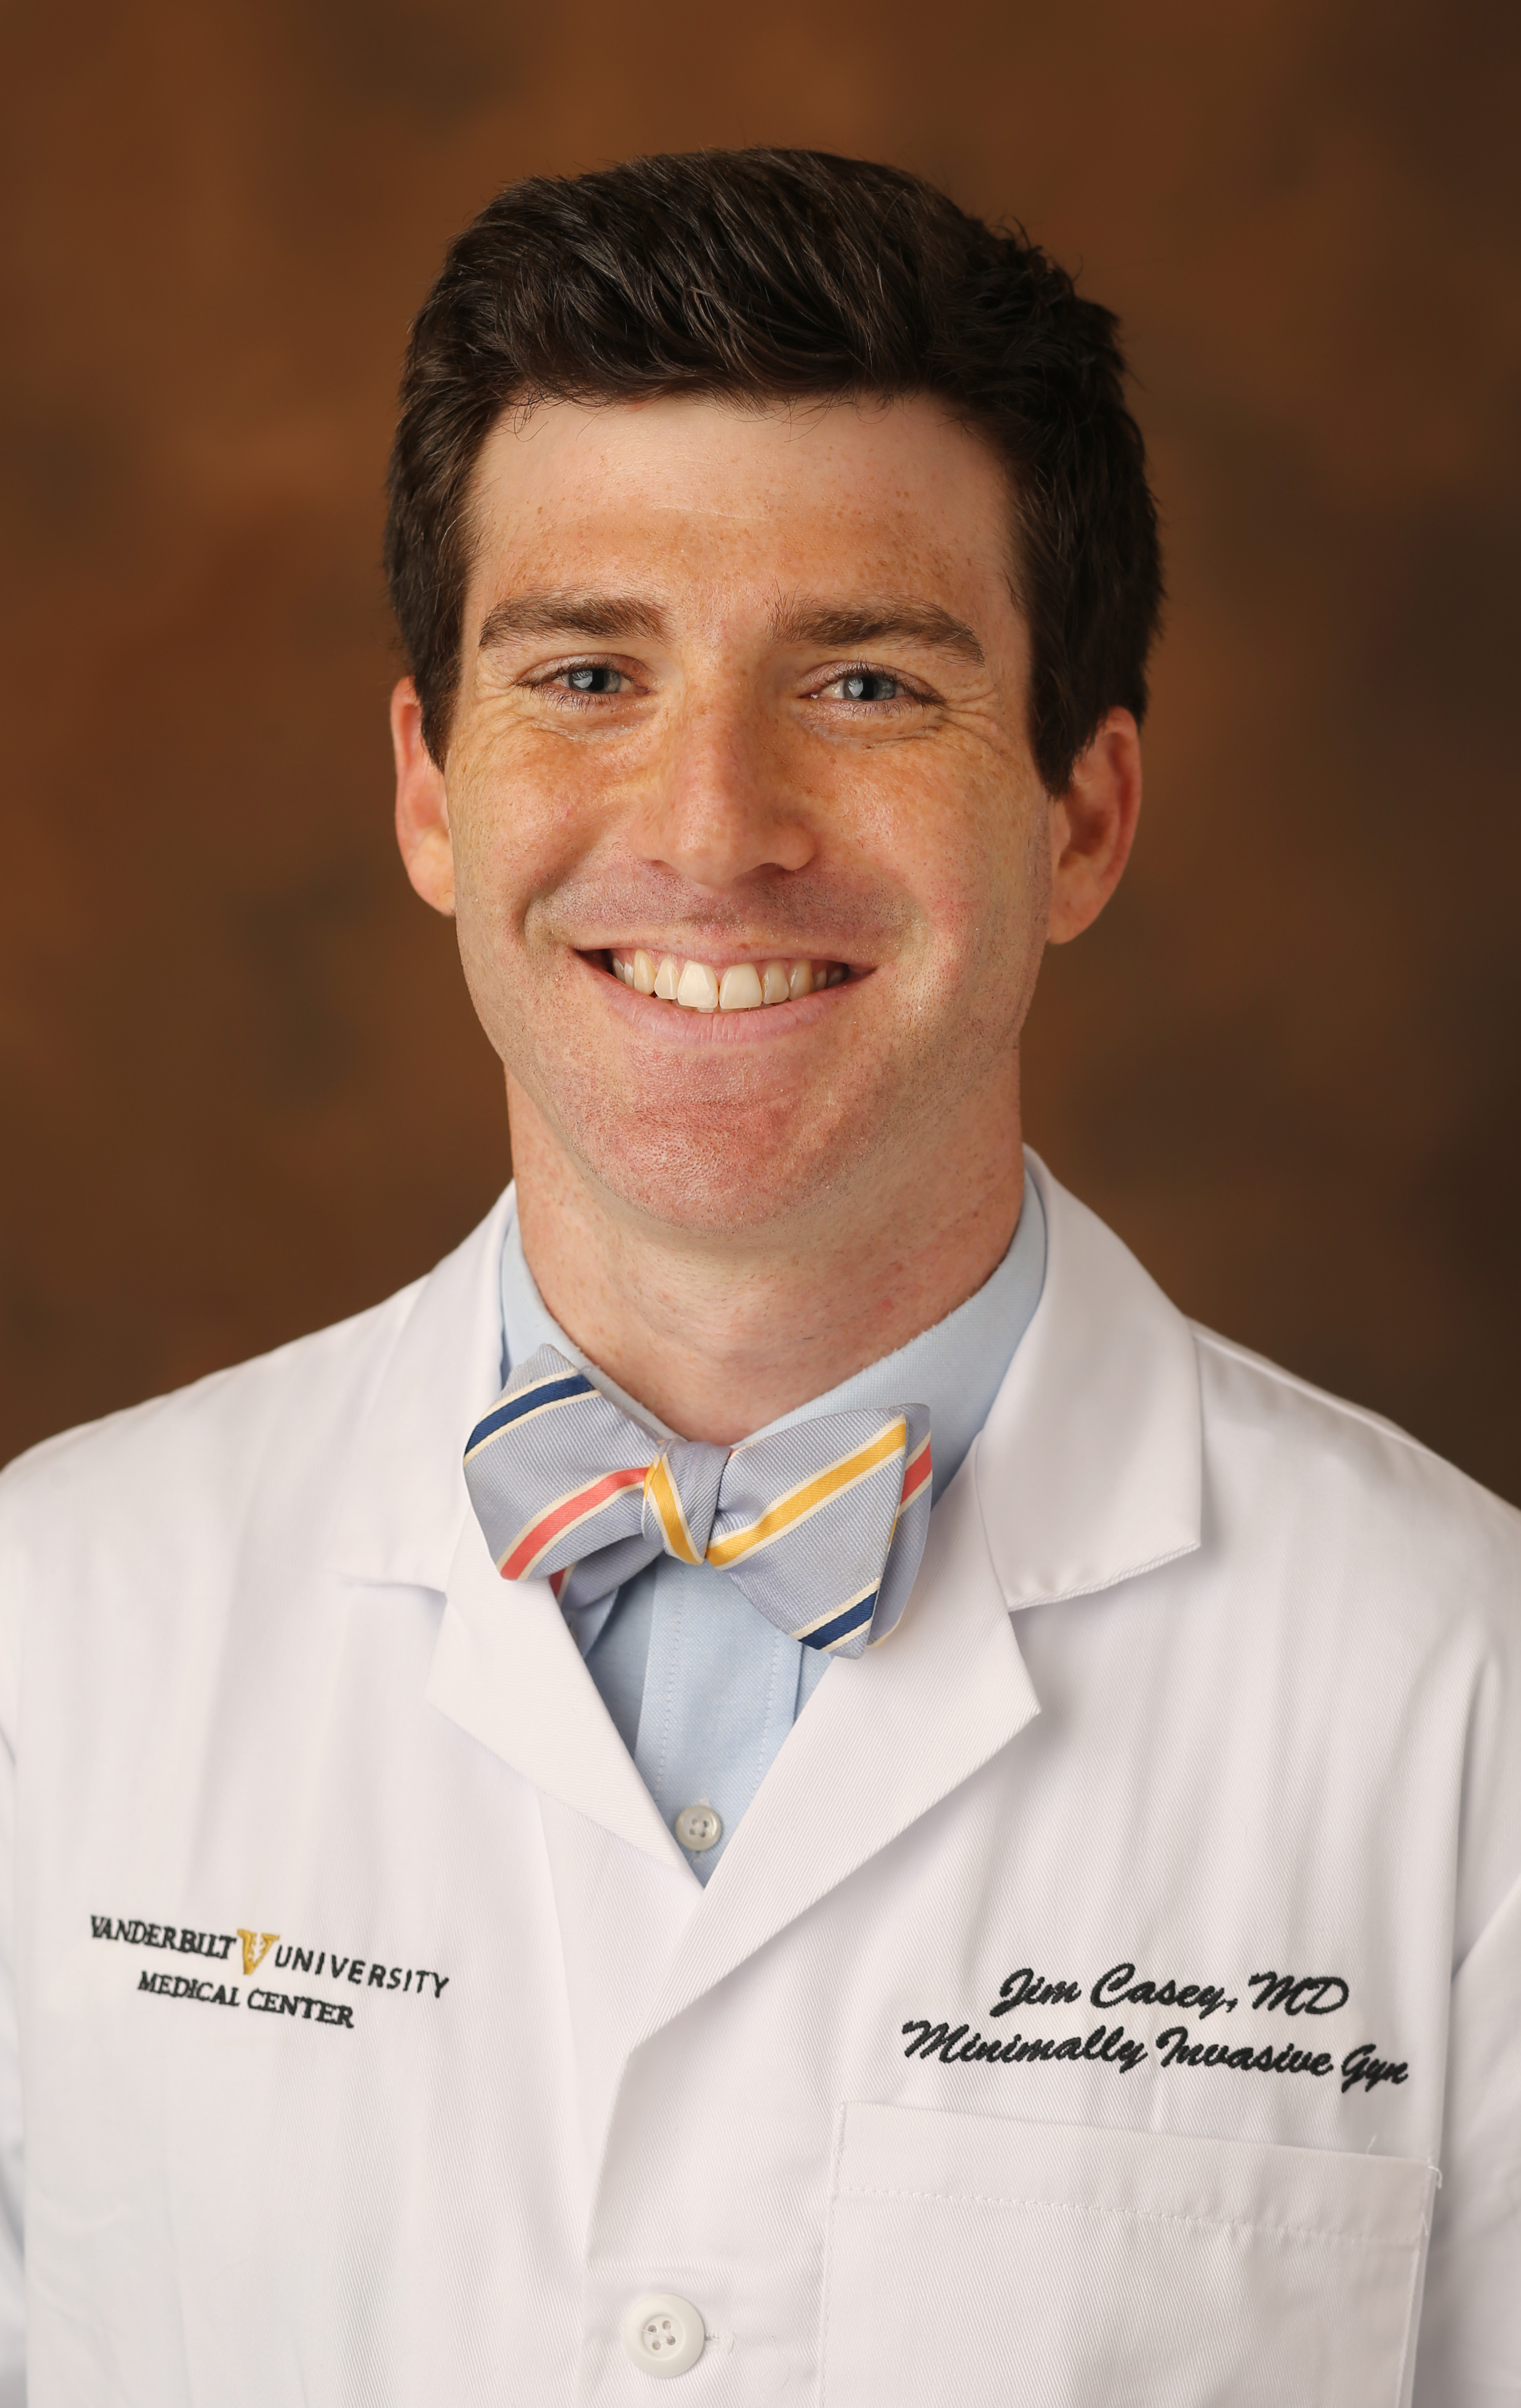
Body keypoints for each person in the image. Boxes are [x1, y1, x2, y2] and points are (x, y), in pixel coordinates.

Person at [0, 148, 1515, 2408]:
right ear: (431, 794)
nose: (712, 828)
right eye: (586, 672)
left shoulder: (1469, 1699)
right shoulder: (49, 1633)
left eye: (870, 682)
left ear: (1083, 818)